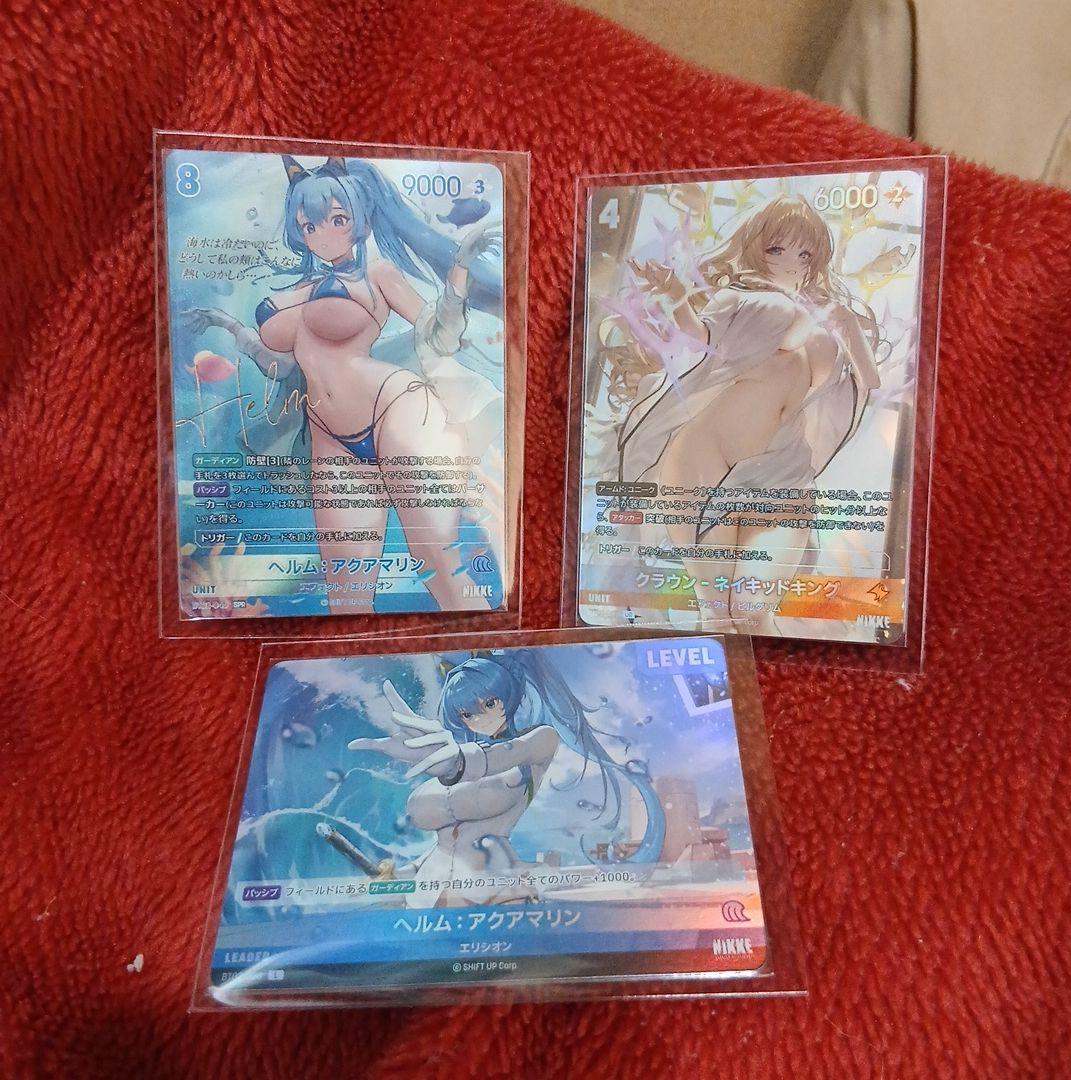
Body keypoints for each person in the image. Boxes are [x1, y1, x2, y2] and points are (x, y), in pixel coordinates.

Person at [183, 155, 504, 610]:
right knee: (345, 590)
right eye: (309, 225)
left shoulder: (378, 275)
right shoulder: (294, 289)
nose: (323, 234)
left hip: (397, 411)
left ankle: (484, 645)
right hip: (331, 438)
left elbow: (438, 337)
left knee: (437, 560)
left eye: (338, 219)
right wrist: (227, 323)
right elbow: (279, 365)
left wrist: (459, 274)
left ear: (360, 219)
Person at [602, 194, 884, 632]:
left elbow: (869, 384)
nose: (790, 263)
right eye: (777, 249)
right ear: (755, 249)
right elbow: (700, 337)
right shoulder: (740, 301)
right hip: (704, 464)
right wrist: (676, 295)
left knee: (753, 612)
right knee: (718, 615)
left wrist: (847, 326)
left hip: (782, 474)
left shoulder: (827, 326)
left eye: (804, 254)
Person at [348, 652, 665, 907]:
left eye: (489, 704)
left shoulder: (538, 741)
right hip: (430, 896)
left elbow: (505, 754)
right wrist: (399, 876)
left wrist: (457, 763)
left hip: (490, 890)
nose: (481, 717)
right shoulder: (461, 754)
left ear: (507, 697)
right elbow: (445, 845)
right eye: (467, 714)